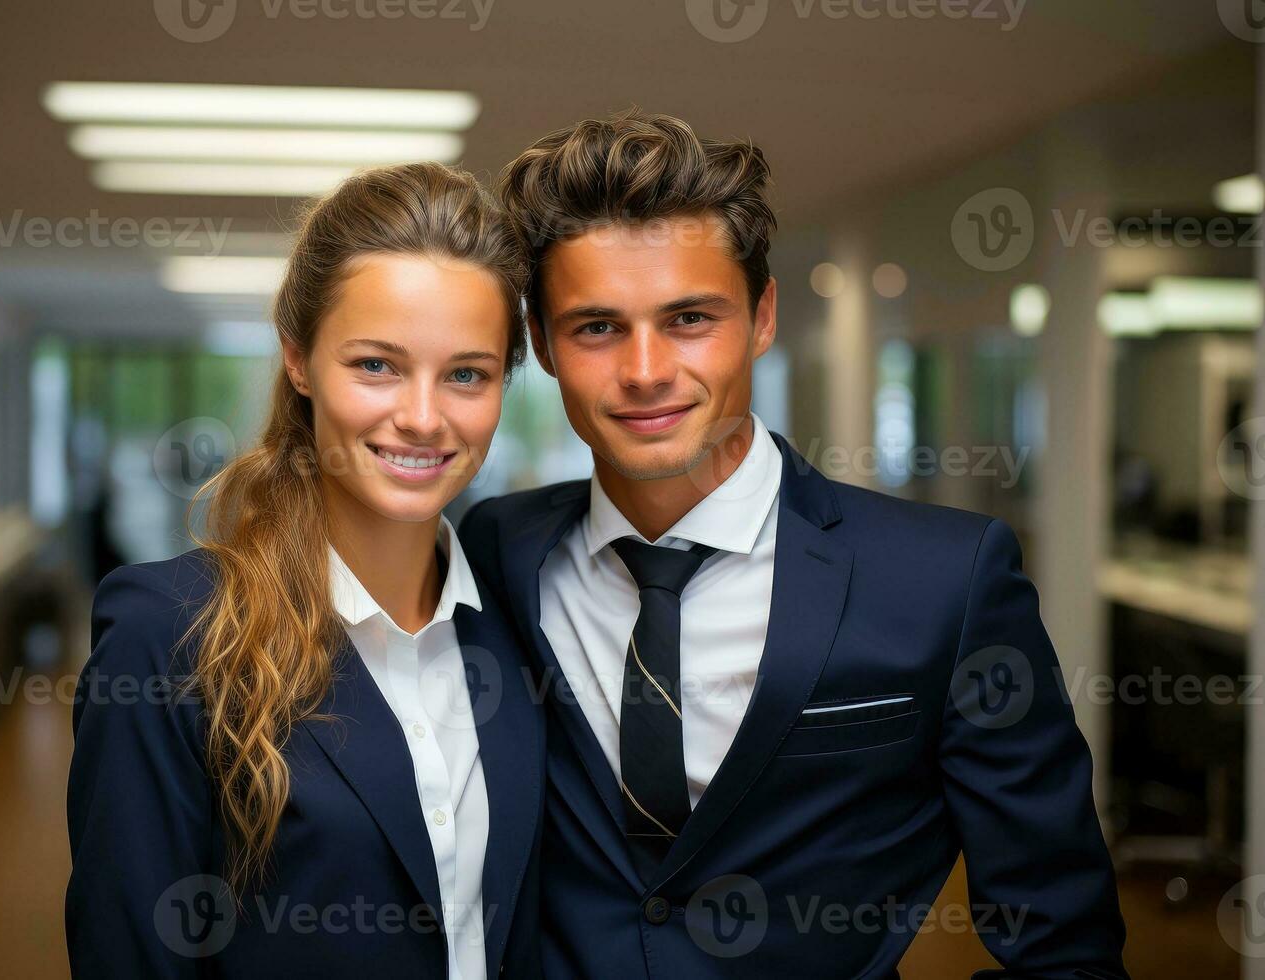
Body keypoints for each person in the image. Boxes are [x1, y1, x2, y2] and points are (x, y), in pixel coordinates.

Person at [458, 111, 1129, 979]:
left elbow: (1062, 940)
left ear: (763, 316)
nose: (646, 369)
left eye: (691, 317)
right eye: (596, 327)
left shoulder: (945, 582)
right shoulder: (498, 549)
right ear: (543, 345)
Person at [66, 162, 544, 980]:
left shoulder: (519, 621)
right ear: (297, 359)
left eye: (467, 373)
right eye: (376, 365)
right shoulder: (171, 634)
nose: (424, 417)